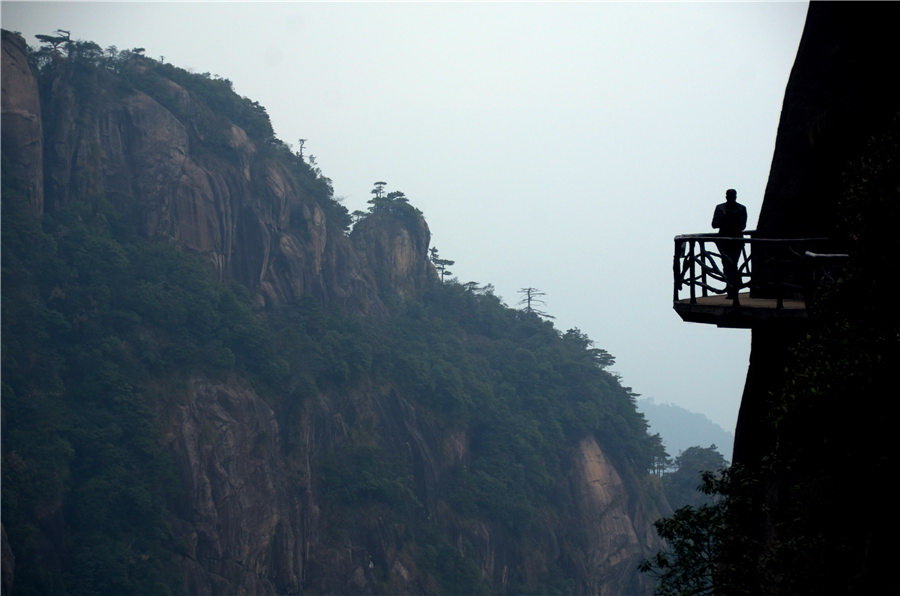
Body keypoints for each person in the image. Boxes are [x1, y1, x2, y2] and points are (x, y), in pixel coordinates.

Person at [711, 188, 747, 298]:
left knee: (732, 264)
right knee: (727, 265)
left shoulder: (741, 209)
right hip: (724, 241)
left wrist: (728, 220)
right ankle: (732, 289)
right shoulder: (720, 208)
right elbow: (714, 224)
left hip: (736, 240)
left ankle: (733, 289)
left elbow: (742, 226)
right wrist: (725, 219)